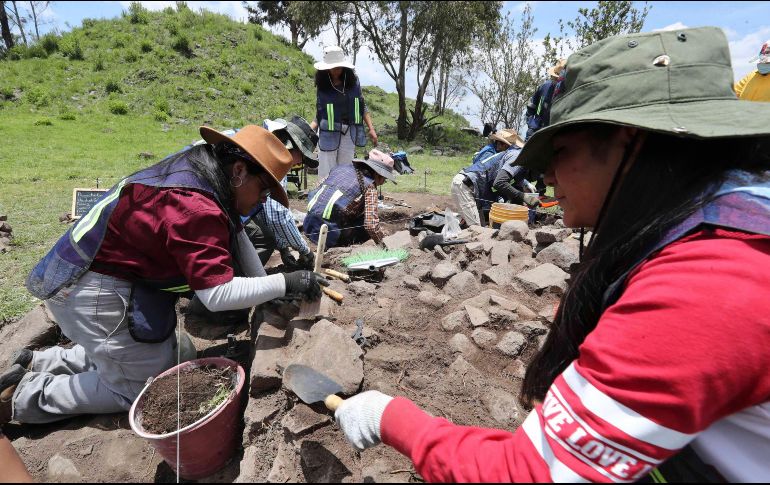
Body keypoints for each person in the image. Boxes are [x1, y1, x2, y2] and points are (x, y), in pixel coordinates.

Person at [332, 27, 770, 482]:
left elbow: (527, 473)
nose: (547, 177)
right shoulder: (726, 216)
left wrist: (390, 417)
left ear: (629, 141)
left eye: (559, 151)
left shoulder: (708, 283)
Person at [0, 125, 328, 425]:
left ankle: (39, 361)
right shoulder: (195, 204)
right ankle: (24, 395)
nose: (262, 200)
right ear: (240, 171)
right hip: (89, 288)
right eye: (264, 190)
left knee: (170, 353)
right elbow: (216, 295)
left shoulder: (205, 170)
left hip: (99, 274)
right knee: (141, 389)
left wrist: (271, 290)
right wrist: (287, 281)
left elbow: (237, 234)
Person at [303, 149, 397, 248]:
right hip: (330, 236)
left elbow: (317, 188)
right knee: (363, 224)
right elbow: (371, 226)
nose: (382, 183)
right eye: (384, 179)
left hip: (309, 226)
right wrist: (382, 242)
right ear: (378, 174)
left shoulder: (338, 169)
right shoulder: (369, 186)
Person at [309, 45, 378, 179]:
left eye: (339, 67)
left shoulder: (354, 83)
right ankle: (324, 197)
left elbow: (362, 106)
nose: (336, 71)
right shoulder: (323, 86)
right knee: (326, 170)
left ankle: (343, 199)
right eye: (333, 68)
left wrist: (371, 128)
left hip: (349, 131)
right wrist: (310, 130)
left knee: (346, 170)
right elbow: (320, 112)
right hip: (328, 132)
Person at [451, 128, 538, 227]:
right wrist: (524, 196)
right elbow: (499, 183)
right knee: (476, 230)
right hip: (466, 186)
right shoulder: (516, 157)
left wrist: (522, 209)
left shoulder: (516, 163)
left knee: (481, 229)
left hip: (473, 190)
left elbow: (515, 194)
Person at [525, 58, 566, 140]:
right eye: (554, 77)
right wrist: (532, 126)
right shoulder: (545, 88)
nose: (555, 80)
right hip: (538, 130)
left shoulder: (568, 91)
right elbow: (537, 110)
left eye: (557, 78)